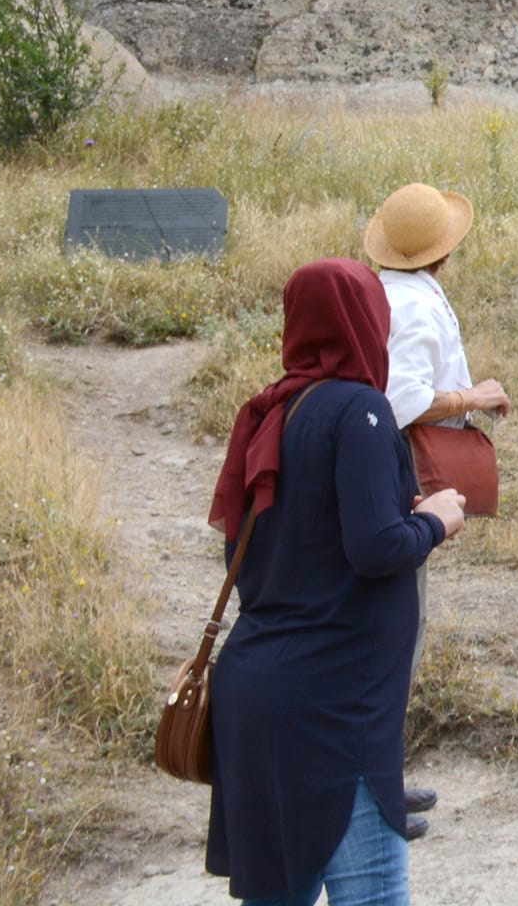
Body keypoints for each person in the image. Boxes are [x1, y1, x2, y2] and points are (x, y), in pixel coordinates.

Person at [203, 259, 468, 906]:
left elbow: (251, 551)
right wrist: (435, 521)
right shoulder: (362, 411)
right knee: (372, 894)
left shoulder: (270, 413)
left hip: (256, 696)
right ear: (367, 321)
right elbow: (376, 548)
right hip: (331, 708)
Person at [364, 180, 510, 833]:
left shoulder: (388, 293)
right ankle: (375, 790)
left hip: (383, 476)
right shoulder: (417, 309)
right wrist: (472, 398)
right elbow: (403, 401)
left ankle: (380, 777)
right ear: (442, 252)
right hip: (398, 478)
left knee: (393, 631)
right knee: (396, 635)